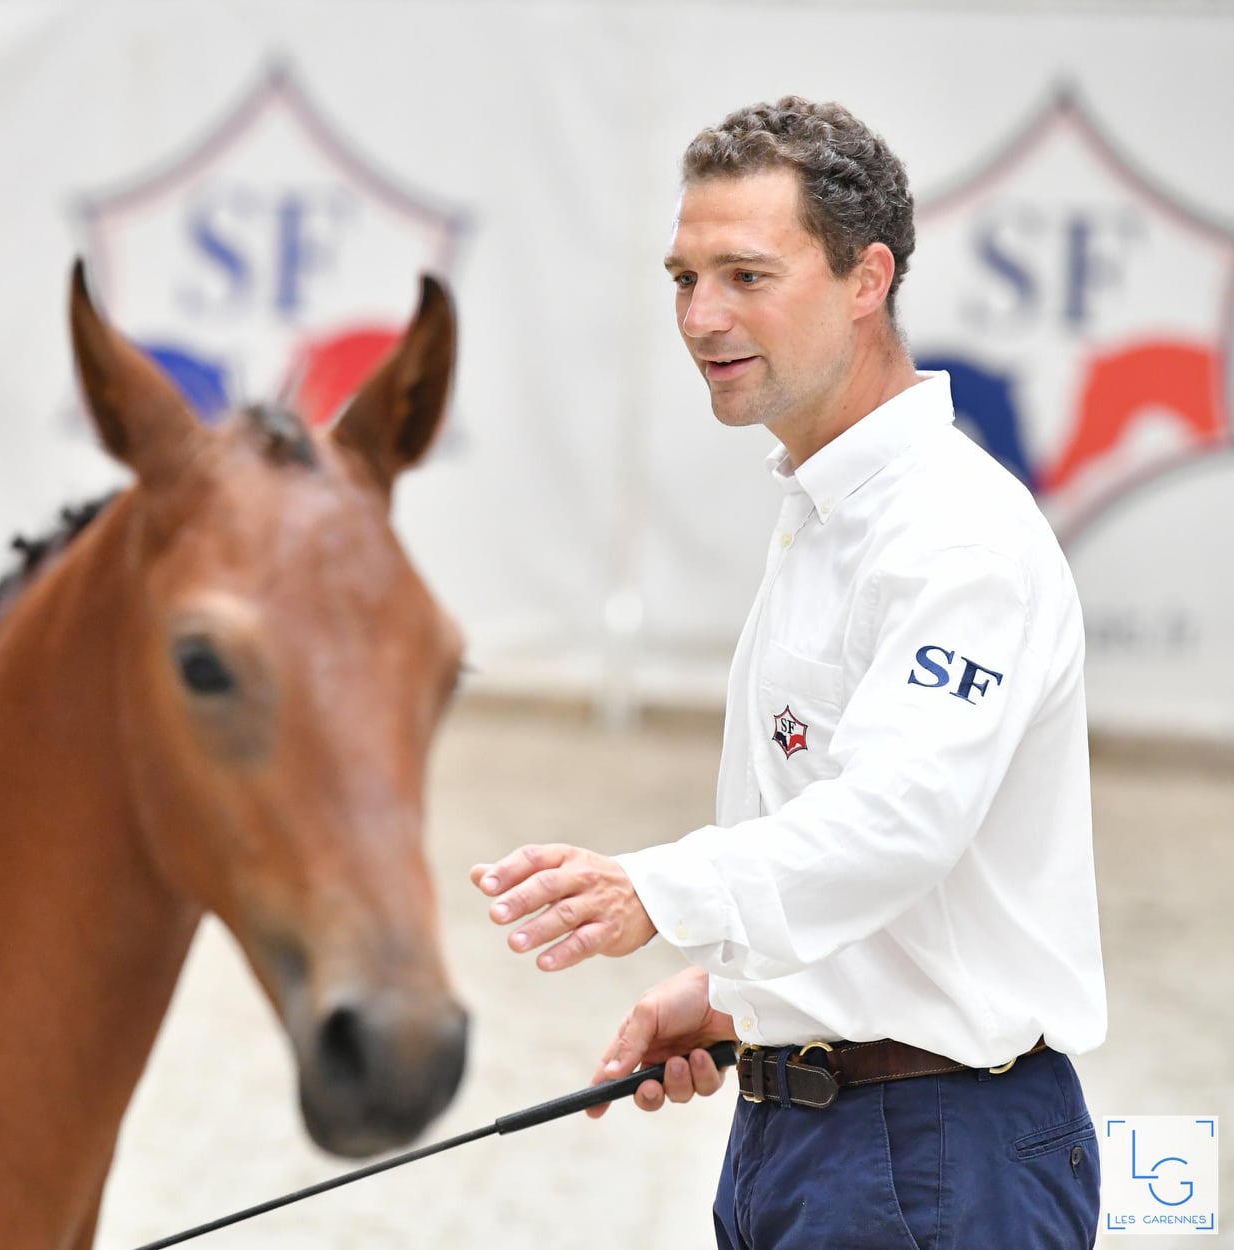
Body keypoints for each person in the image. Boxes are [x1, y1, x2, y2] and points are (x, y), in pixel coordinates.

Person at [471, 98, 1105, 1247]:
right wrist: (744, 1001)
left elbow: (899, 819)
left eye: (746, 276)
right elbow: (879, 873)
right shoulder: (831, 511)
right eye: (684, 277)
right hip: (814, 1135)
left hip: (936, 1152)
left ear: (868, 278)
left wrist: (656, 891)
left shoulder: (954, 533)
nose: (700, 316)